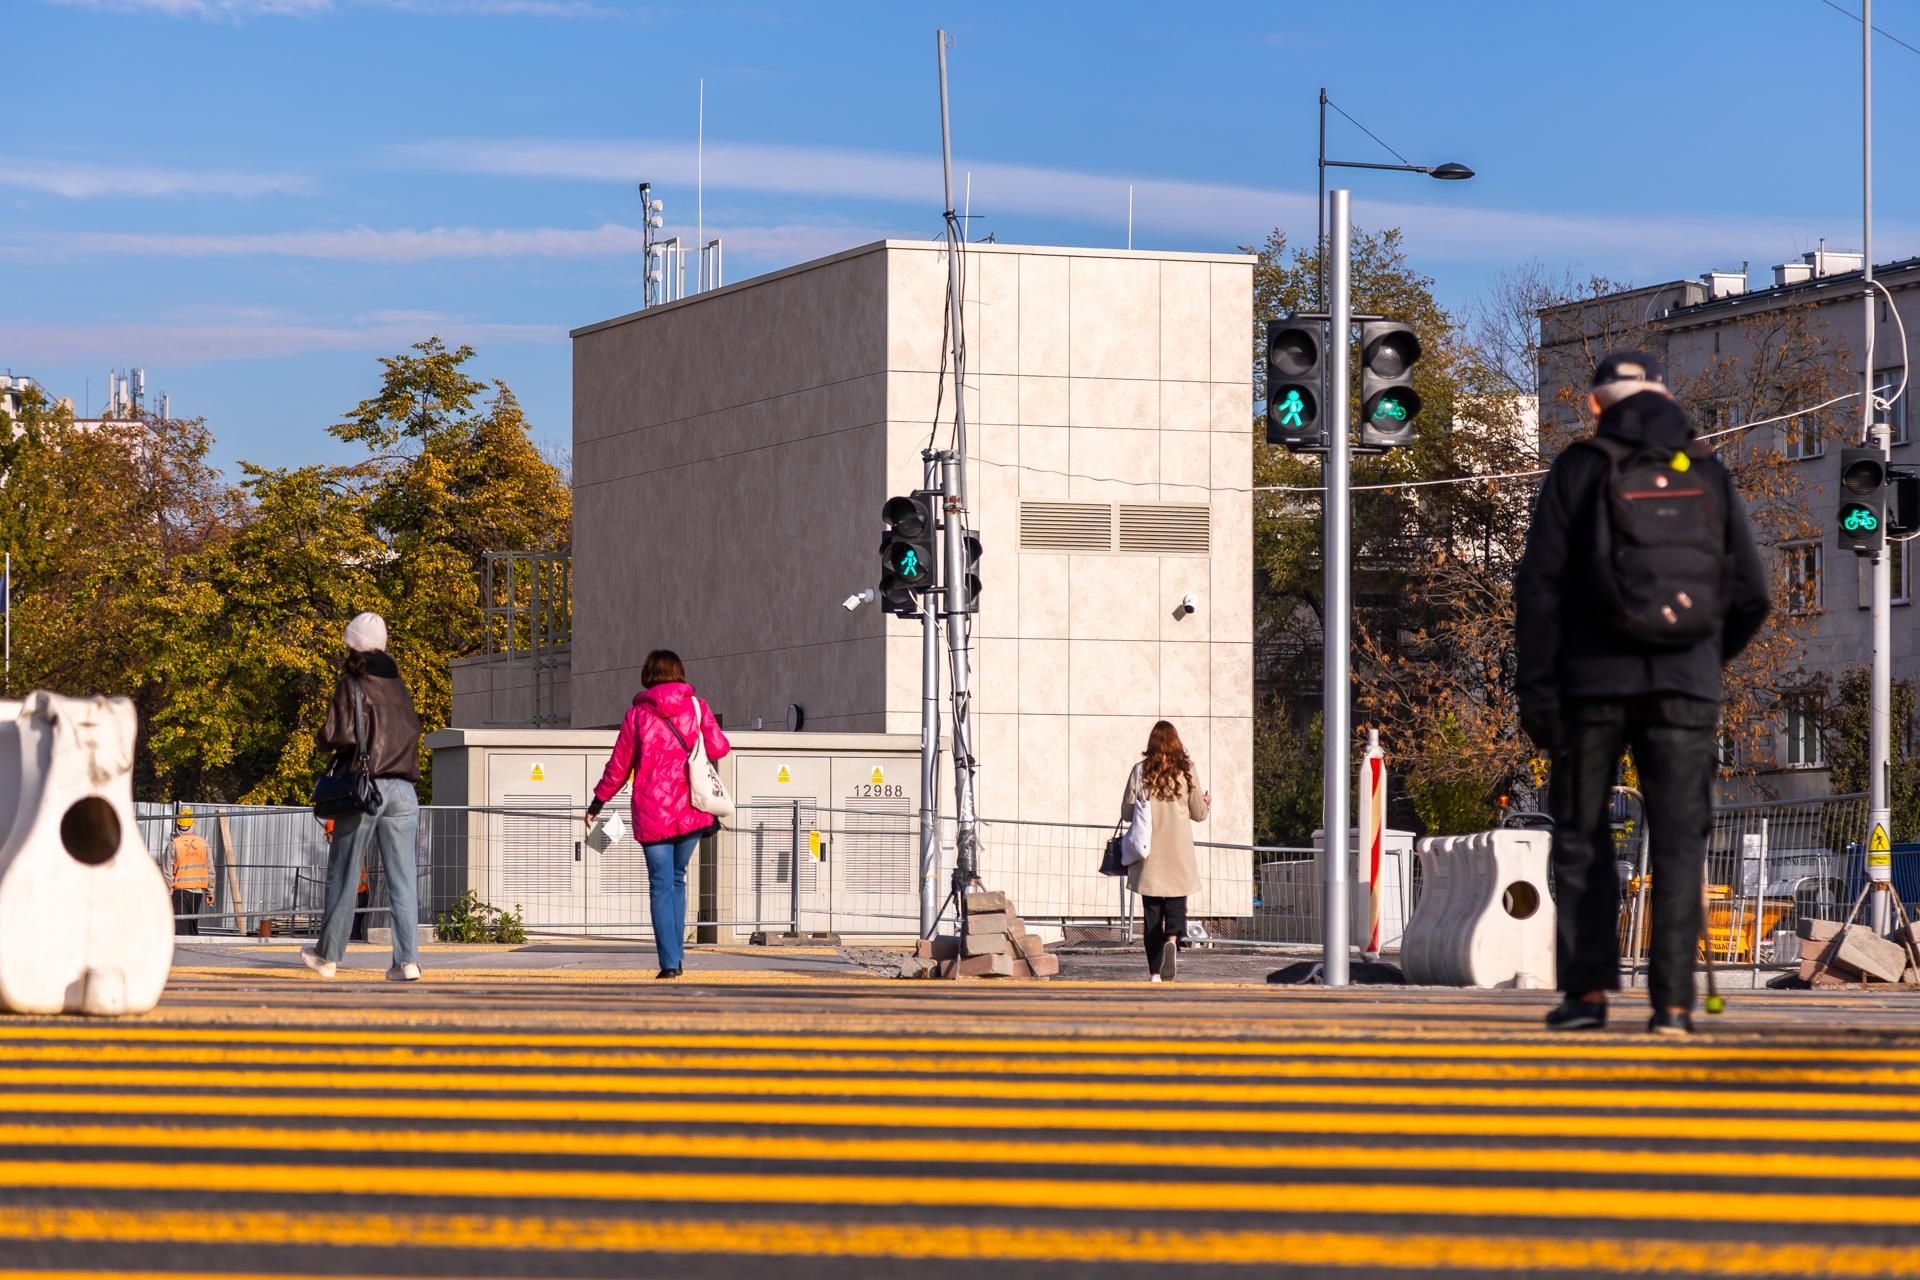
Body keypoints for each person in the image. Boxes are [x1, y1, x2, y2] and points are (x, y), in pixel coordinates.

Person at [1515, 352, 1769, 1036]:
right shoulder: (1708, 471)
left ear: (1598, 405)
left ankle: (1589, 995)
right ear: (1665, 394)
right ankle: (1674, 1005)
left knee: (1584, 836)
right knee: (1682, 842)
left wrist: (1538, 690)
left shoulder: (1580, 467)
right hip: (1685, 688)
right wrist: (1704, 659)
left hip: (1591, 686)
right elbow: (1753, 592)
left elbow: (1539, 588)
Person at [585, 649, 730, 979]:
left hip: (653, 809)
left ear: (647, 675)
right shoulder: (697, 706)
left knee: (661, 884)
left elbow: (619, 766)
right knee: (678, 879)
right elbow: (720, 748)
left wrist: (597, 804)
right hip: (693, 806)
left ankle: (669, 963)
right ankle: (676, 958)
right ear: (679, 673)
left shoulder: (636, 716)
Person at [302, 612, 426, 982]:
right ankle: (407, 962)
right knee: (403, 879)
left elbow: (336, 735)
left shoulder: (351, 683)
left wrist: (323, 740)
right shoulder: (400, 686)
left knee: (343, 871)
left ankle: (327, 957)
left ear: (351, 642)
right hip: (405, 789)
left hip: (364, 786)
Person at [1120, 720, 1210, 983]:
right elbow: (1199, 814)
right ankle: (1172, 940)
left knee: (1151, 917)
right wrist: (1205, 802)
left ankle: (1155, 973)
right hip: (1178, 854)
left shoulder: (1140, 772)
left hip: (1148, 856)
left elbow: (1126, 813)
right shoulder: (1186, 771)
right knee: (1175, 907)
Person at [162, 807, 214, 936]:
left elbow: (167, 873)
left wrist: (168, 892)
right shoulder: (203, 843)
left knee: (181, 925)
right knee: (192, 923)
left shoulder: (173, 845)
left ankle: (186, 953)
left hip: (180, 890)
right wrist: (210, 891)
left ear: (178, 825)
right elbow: (210, 870)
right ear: (192, 824)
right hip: (198, 891)